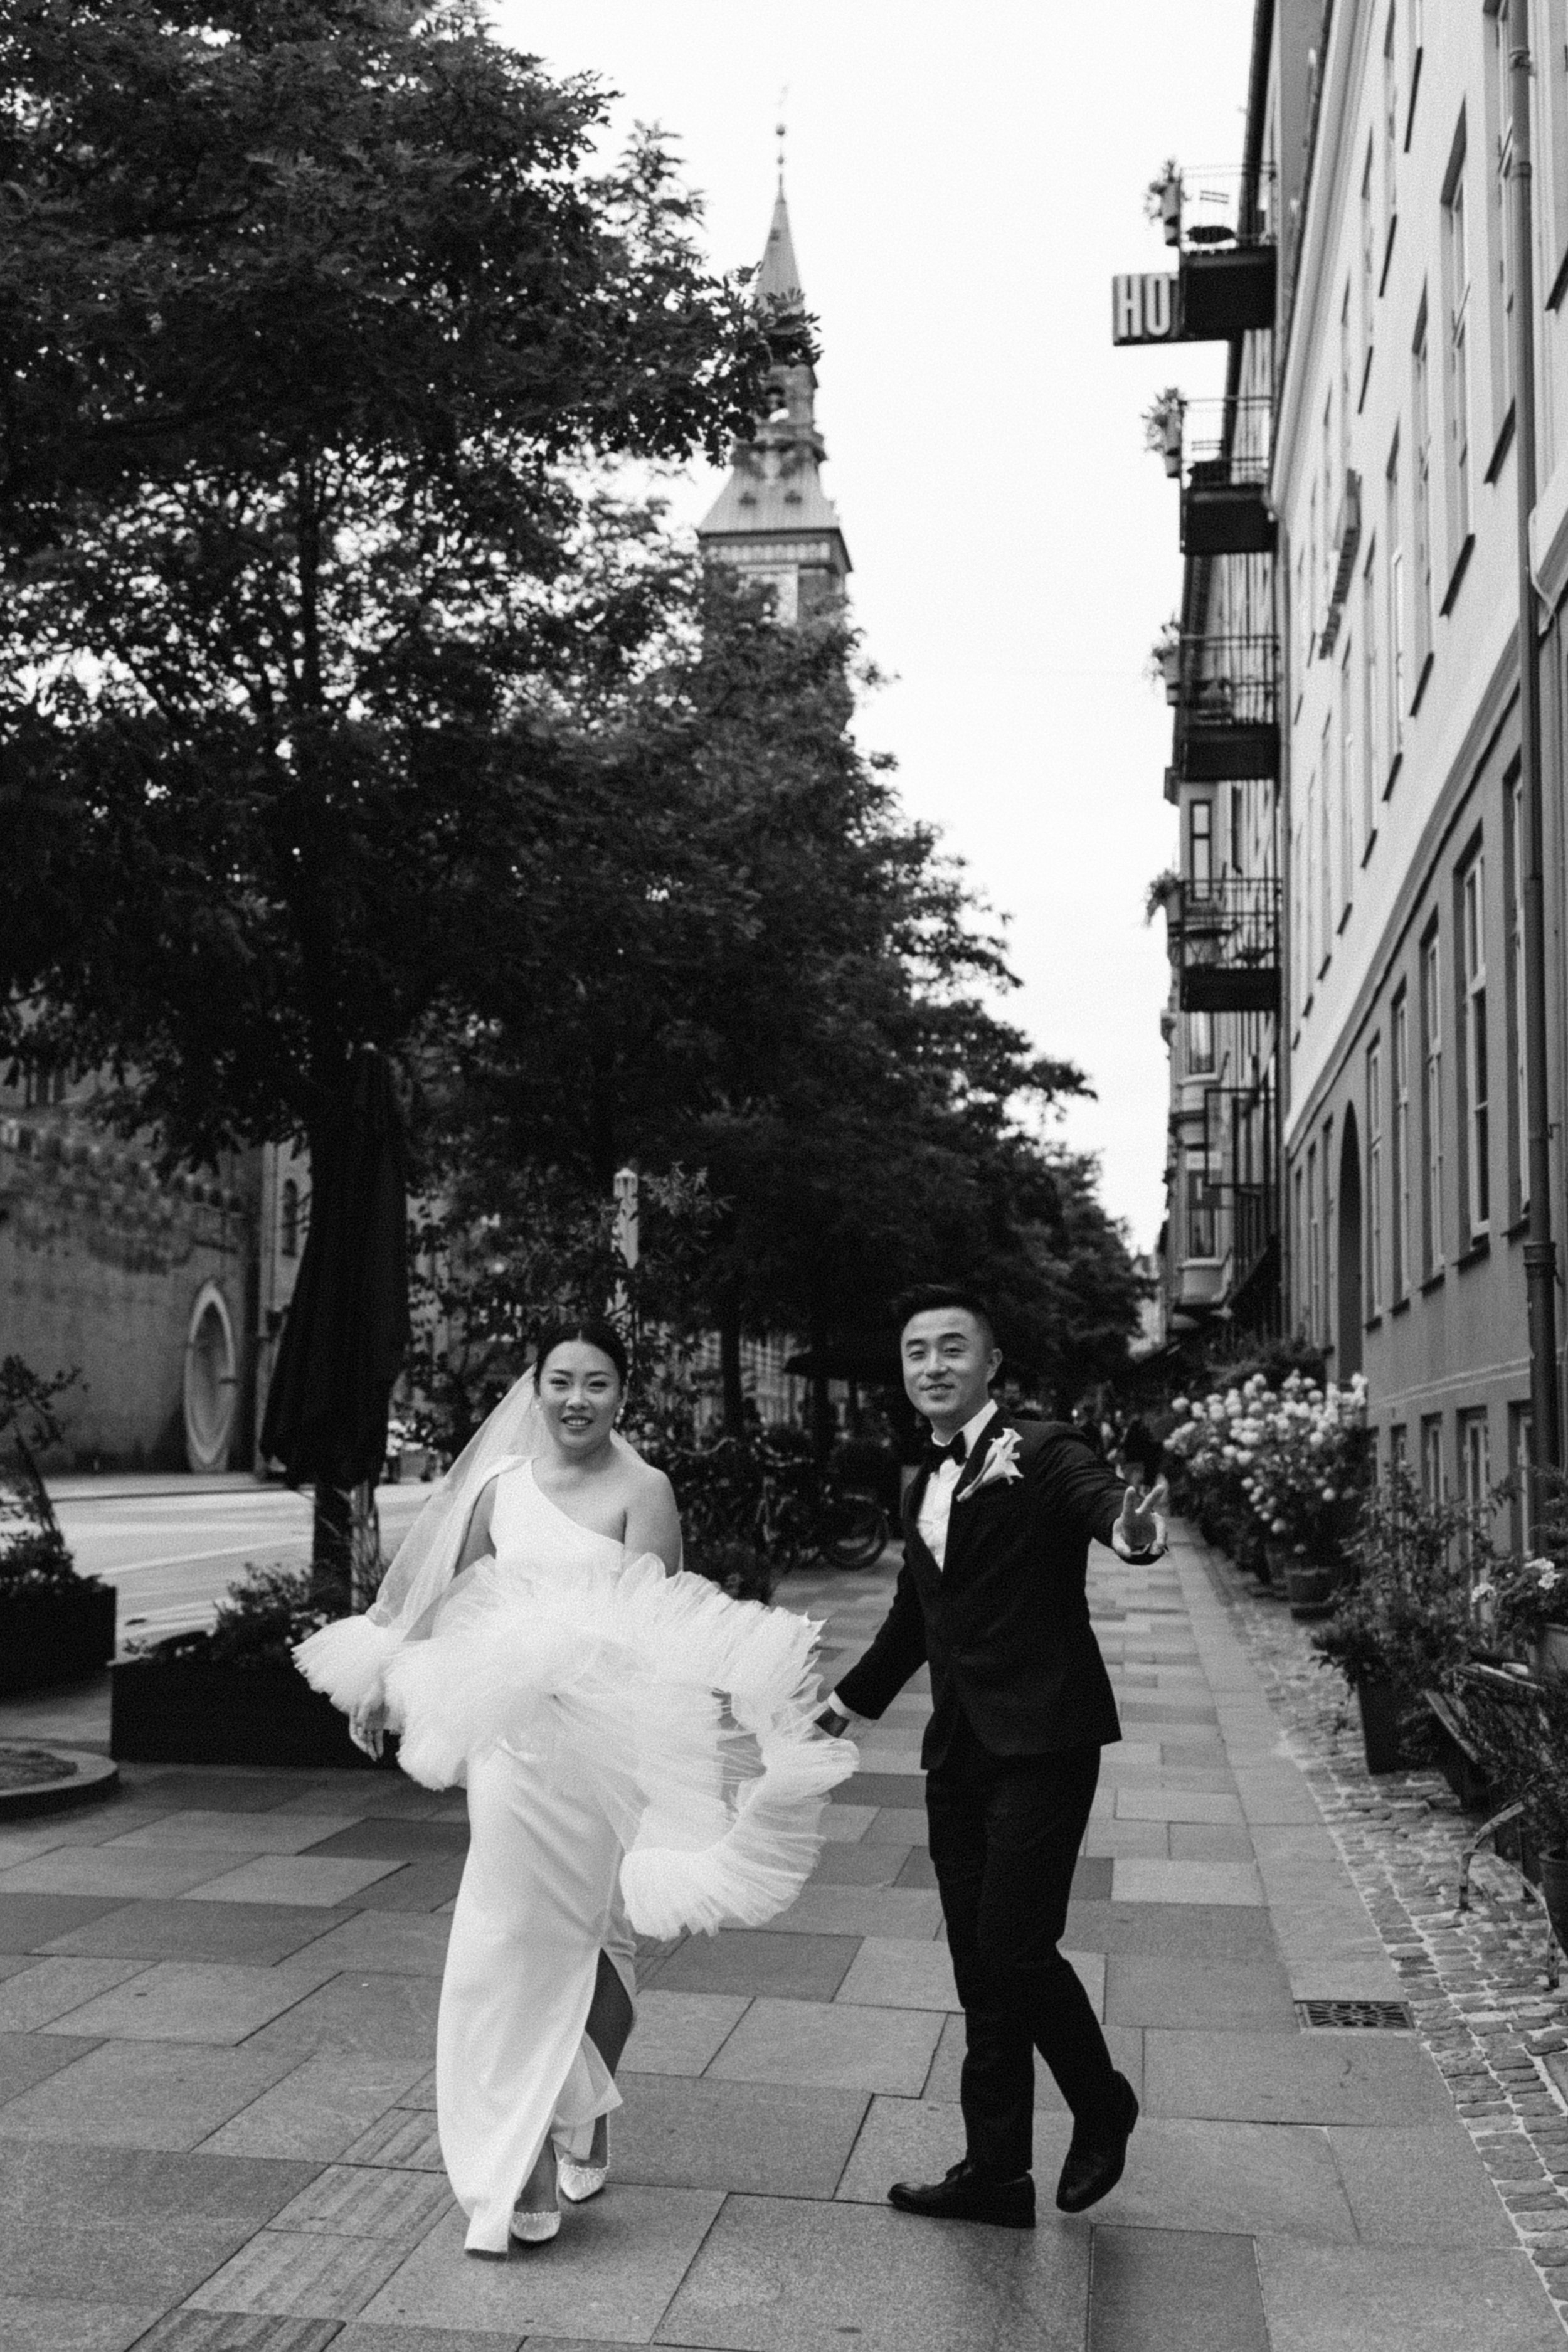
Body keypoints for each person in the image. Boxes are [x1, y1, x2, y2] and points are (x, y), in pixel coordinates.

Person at [295, 1318, 853, 2255]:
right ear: (537, 1386)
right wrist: (386, 1673)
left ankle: (582, 2108)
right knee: (505, 1934)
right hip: (512, 1746)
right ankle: (521, 2158)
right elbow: (444, 1589)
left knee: (598, 1937)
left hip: (605, 1745)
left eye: (597, 1382)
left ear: (622, 1395)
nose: (577, 1399)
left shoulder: (645, 1490)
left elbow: (661, 1621)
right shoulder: (502, 1488)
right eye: (560, 1380)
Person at [818, 1285, 1168, 2230]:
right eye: (916, 1351)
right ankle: (996, 2170)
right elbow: (914, 1615)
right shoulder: (917, 1481)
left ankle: (1101, 2103)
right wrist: (846, 1703)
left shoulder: (1046, 1449)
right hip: (960, 1750)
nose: (932, 1365)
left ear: (991, 1364)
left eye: (952, 1349)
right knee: (980, 1962)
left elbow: (1104, 1508)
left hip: (1046, 1741)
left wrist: (1133, 1530)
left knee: (1016, 1944)